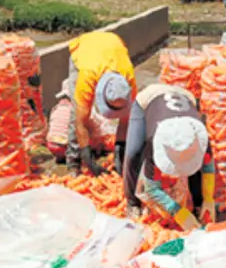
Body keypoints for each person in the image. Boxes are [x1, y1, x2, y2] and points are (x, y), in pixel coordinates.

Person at [122, 84, 216, 230]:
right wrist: (178, 212)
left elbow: (208, 167)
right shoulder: (154, 141)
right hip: (148, 98)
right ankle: (132, 202)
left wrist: (208, 199)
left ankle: (199, 205)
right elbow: (152, 188)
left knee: (195, 169)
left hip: (183, 96)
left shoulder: (200, 137)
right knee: (133, 152)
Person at [66, 31, 137, 177]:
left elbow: (126, 120)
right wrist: (87, 157)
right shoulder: (87, 76)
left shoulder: (128, 81)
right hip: (84, 50)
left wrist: (120, 151)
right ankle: (73, 162)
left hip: (113, 43)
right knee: (77, 112)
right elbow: (80, 123)